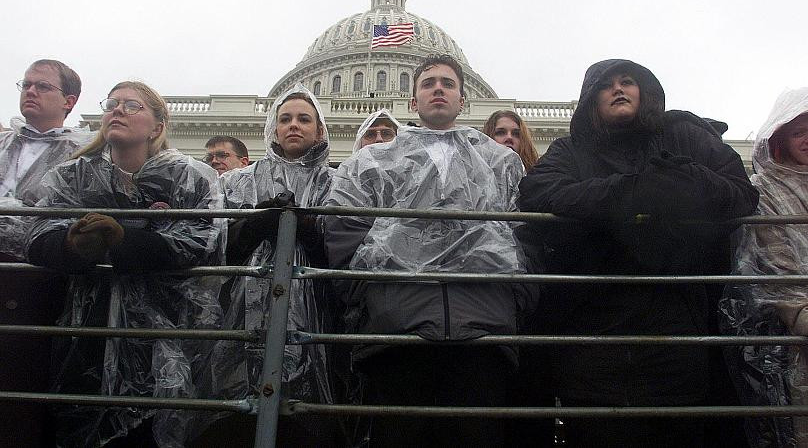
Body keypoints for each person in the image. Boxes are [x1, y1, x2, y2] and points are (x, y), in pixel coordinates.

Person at [517, 59, 758, 448]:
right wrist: (632, 191)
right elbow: (538, 195)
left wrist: (686, 181)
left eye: (627, 81)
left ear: (644, 92)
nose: (618, 89)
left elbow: (742, 194)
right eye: (606, 85)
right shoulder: (568, 150)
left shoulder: (683, 137)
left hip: (677, 335)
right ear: (591, 100)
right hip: (594, 340)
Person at [325, 54, 534, 447]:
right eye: (428, 83)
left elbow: (525, 233)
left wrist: (515, 298)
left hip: (482, 327)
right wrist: (369, 296)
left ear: (462, 101)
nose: (438, 88)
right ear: (412, 102)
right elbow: (344, 229)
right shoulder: (372, 159)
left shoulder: (500, 160)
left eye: (448, 83)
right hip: (397, 327)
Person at [26, 81, 226, 447]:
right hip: (86, 328)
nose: (117, 110)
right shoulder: (72, 175)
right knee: (80, 420)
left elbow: (202, 242)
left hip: (161, 335)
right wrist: (72, 244)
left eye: (132, 106)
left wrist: (123, 240)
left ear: (157, 126)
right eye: (112, 103)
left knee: (146, 430)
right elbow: (36, 235)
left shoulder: (190, 176)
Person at [195, 84, 338, 447]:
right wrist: (258, 222)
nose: (294, 125)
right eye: (285, 118)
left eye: (304, 119)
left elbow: (344, 249)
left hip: (313, 315)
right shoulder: (238, 180)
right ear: (273, 128)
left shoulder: (336, 183)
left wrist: (305, 227)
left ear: (319, 129)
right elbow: (217, 245)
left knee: (303, 419)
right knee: (236, 412)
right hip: (242, 311)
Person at [0, 59, 92, 447]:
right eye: (26, 84)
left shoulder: (83, 153)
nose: (30, 91)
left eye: (42, 86)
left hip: (33, 279)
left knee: (20, 381)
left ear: (69, 101)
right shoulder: (3, 141)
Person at [720, 87, 808, 448]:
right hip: (795, 336)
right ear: (780, 138)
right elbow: (777, 270)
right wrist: (802, 314)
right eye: (799, 131)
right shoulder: (764, 190)